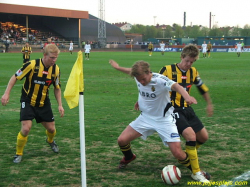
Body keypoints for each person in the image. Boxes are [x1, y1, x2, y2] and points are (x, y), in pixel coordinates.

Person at [109, 59, 209, 183]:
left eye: (143, 79)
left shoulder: (160, 80)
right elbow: (129, 71)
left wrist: (187, 97)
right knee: (121, 140)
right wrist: (117, 67)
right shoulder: (138, 76)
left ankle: (196, 172)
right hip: (145, 118)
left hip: (164, 120)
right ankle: (129, 157)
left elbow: (176, 86)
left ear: (149, 72)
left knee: (178, 153)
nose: (141, 82)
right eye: (139, 80)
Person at [1, 44, 64, 164]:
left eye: (56, 58)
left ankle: (50, 141)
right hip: (28, 101)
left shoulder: (56, 70)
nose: (54, 60)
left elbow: (57, 88)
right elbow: (14, 77)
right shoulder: (31, 65)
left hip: (43, 103)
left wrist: (60, 105)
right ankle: (18, 153)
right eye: (52, 57)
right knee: (26, 129)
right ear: (44, 55)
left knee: (52, 129)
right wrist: (6, 94)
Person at [159, 44, 213, 182]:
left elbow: (202, 88)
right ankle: (196, 172)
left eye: (192, 62)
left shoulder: (193, 72)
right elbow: (155, 88)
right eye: (187, 60)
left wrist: (209, 104)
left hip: (187, 109)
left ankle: (187, 155)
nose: (189, 64)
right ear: (182, 57)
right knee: (191, 135)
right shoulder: (167, 70)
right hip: (172, 109)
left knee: (203, 137)